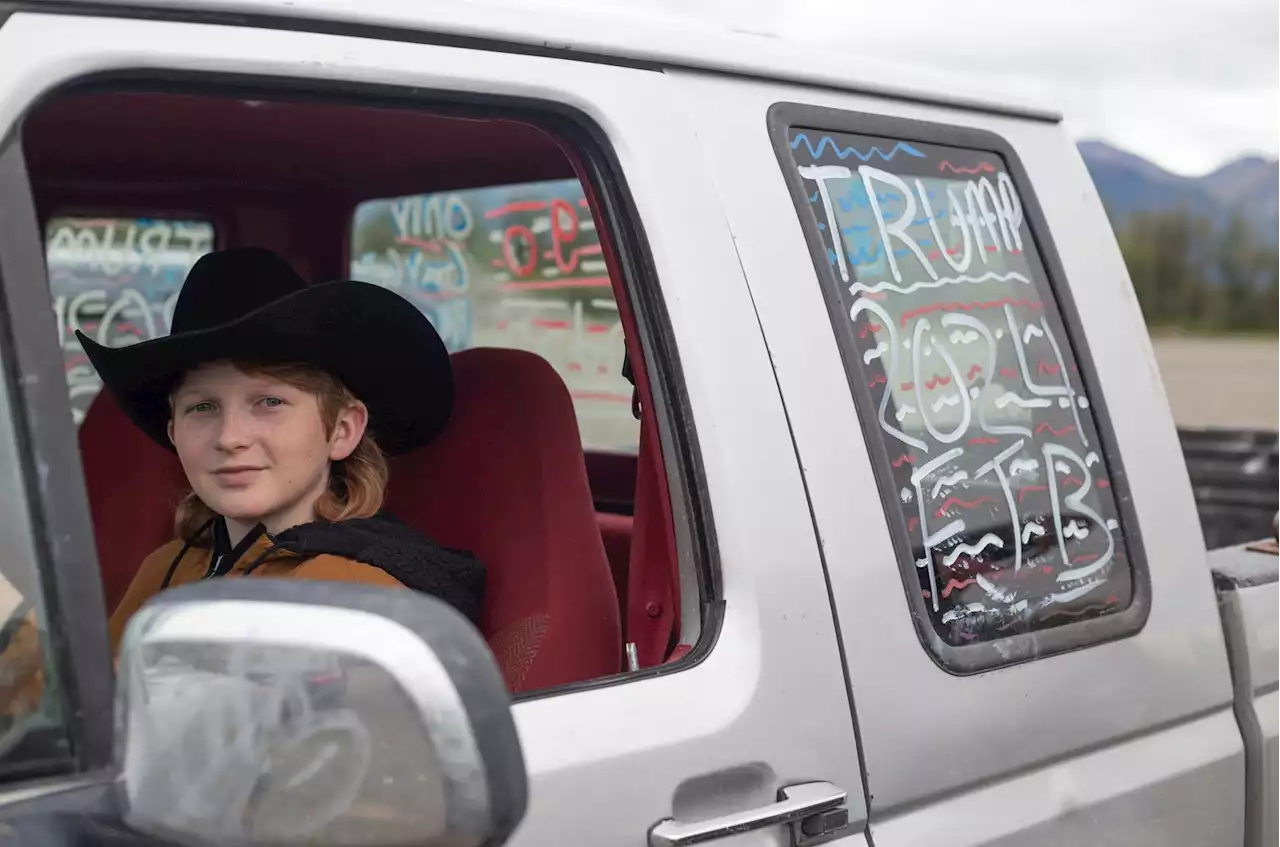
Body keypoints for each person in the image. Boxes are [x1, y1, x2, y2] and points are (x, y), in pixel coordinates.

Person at [0, 247, 485, 716]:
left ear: (342, 430)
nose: (230, 437)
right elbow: (78, 712)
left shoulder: (357, 598)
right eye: (202, 407)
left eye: (269, 402)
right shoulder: (172, 563)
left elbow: (219, 738)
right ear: (174, 432)